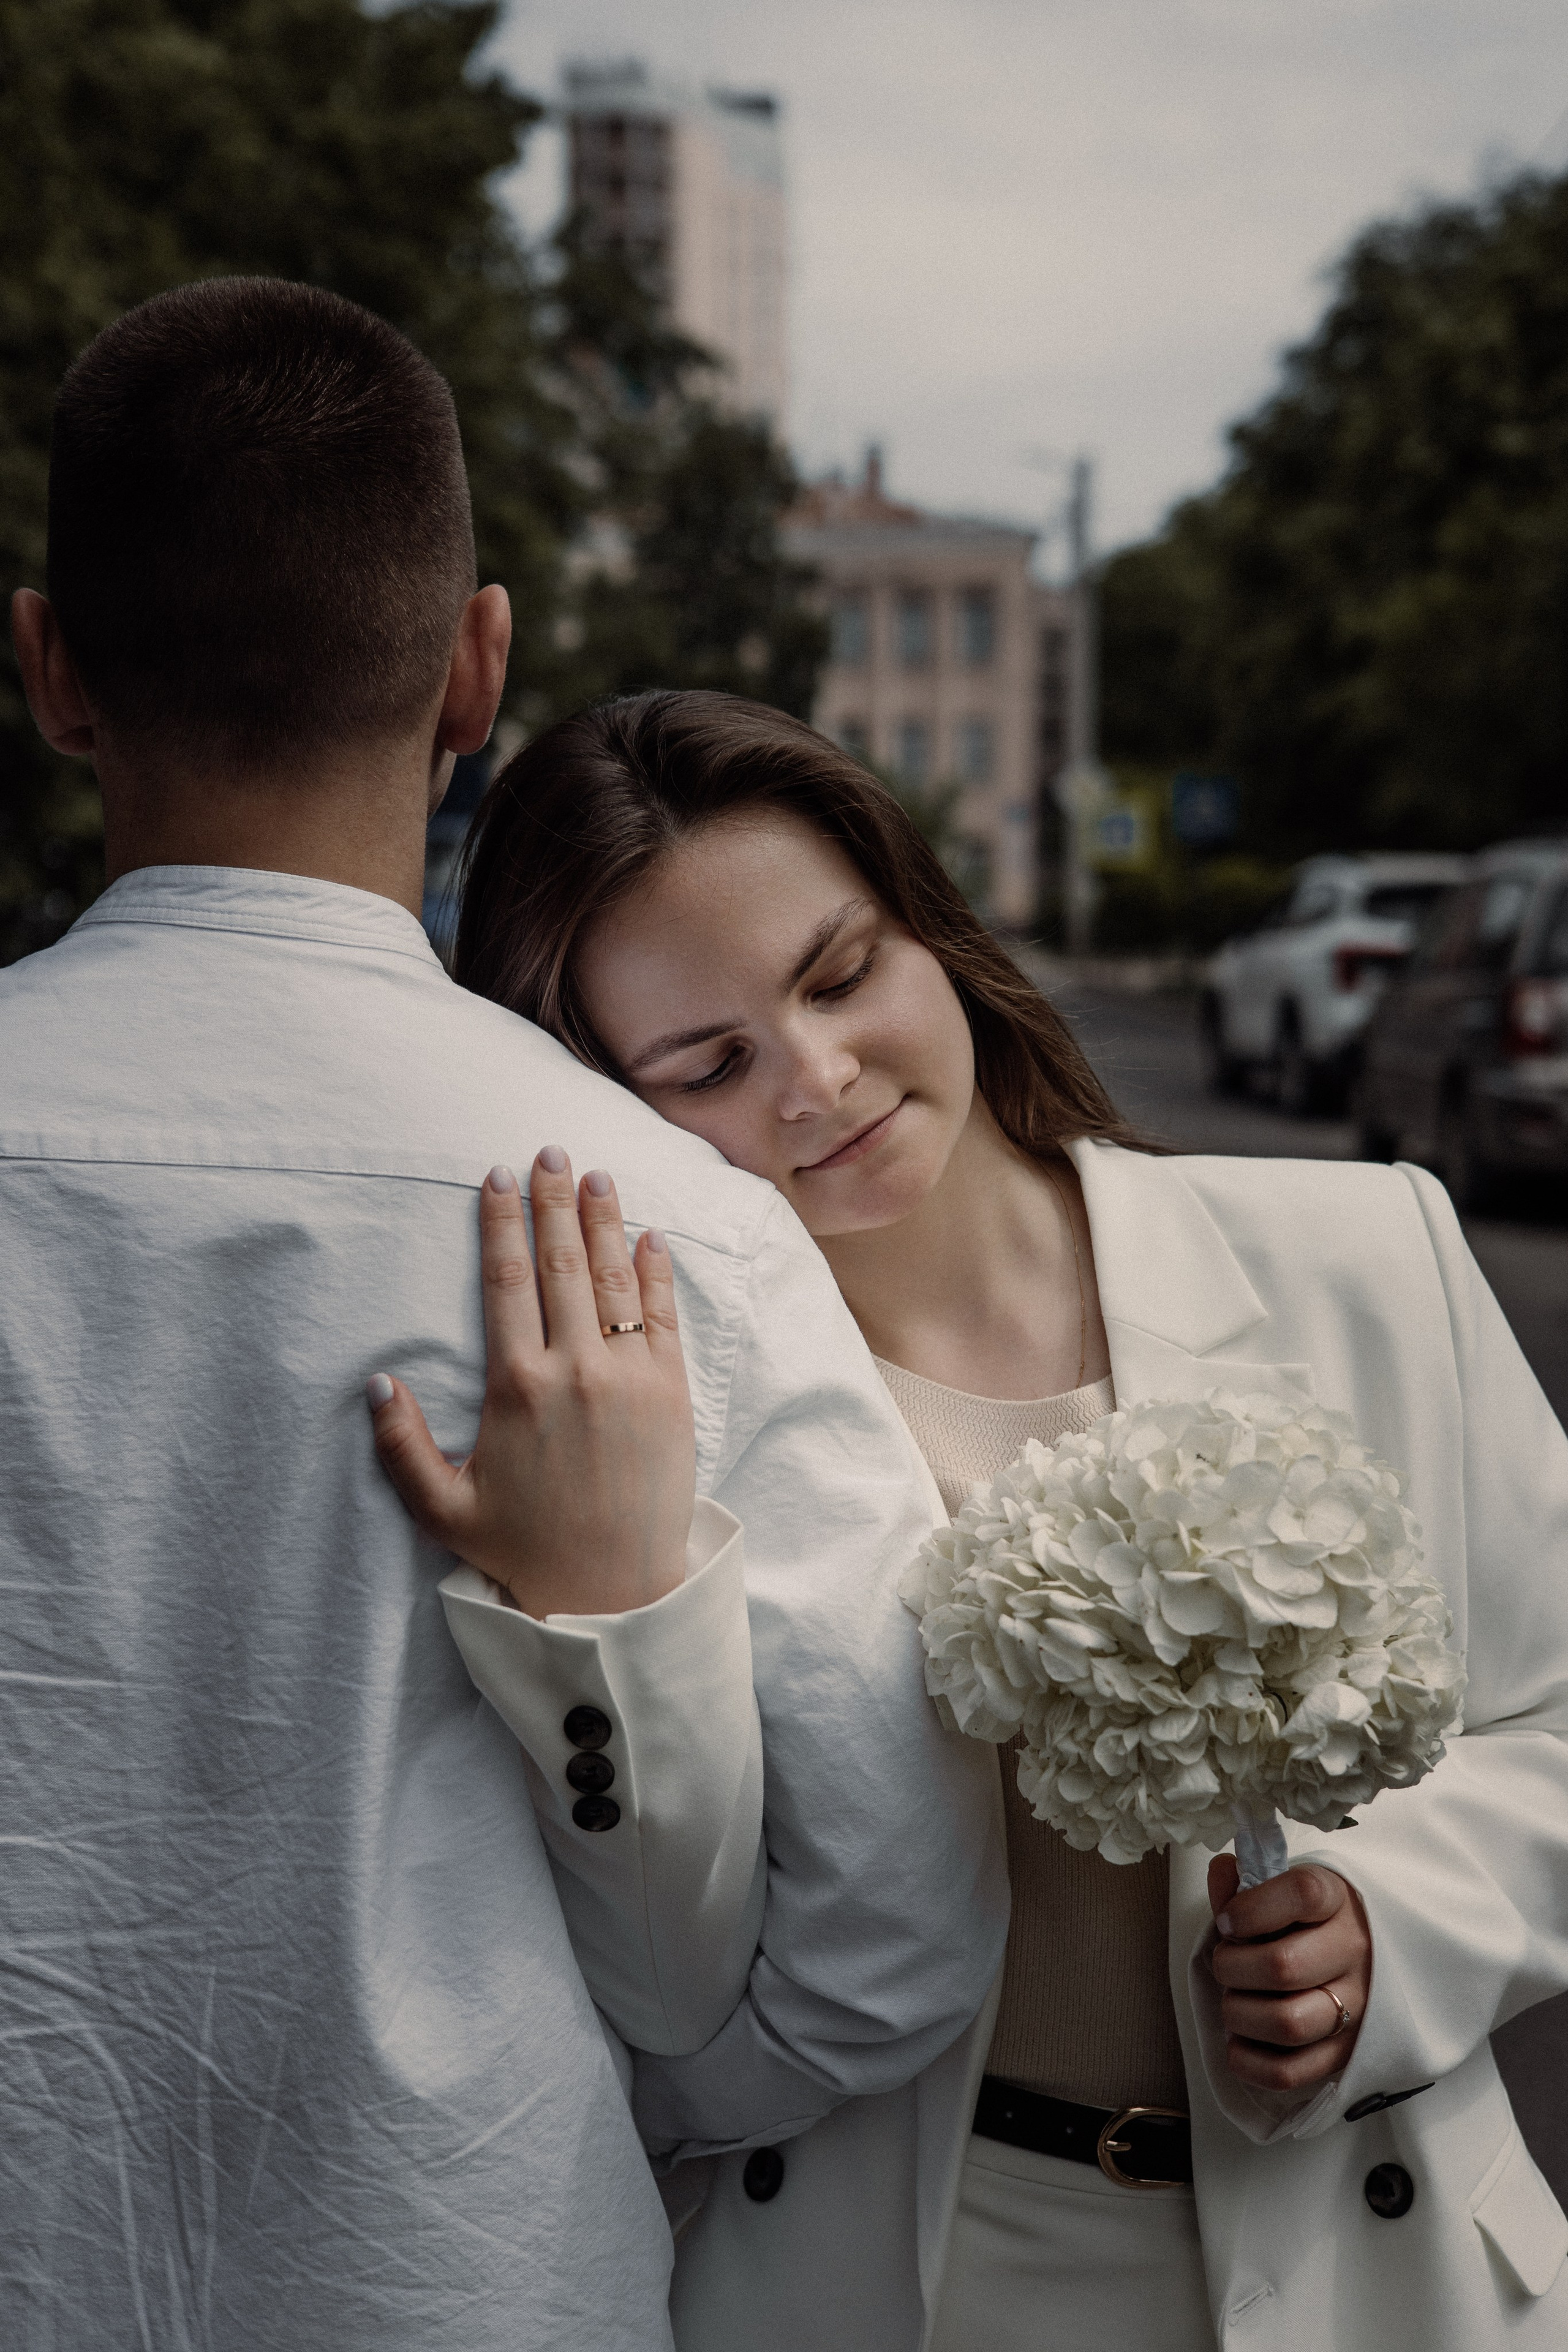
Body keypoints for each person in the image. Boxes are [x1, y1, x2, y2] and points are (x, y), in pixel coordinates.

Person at [0, 286, 1002, 2348]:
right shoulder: (670, 1227)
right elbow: (893, 1930)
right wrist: (556, 2099)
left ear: (50, 671)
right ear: (479, 666)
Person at [426, 686, 1568, 2351]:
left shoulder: (1367, 1253)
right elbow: (660, 1984)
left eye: (843, 973)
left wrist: (1393, 1931)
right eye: (710, 1063)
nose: (819, 1079)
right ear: (611, 1109)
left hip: (1366, 2264)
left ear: (929, 929)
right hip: (901, 2271)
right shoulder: (658, 1425)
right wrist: (601, 1609)